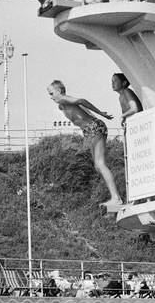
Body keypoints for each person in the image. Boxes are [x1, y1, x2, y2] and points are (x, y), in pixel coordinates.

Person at [47, 80, 123, 210]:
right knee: (97, 166)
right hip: (89, 130)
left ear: (59, 91)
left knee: (100, 164)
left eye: (52, 93)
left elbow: (82, 101)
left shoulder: (64, 99)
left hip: (94, 127)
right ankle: (115, 196)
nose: (51, 97)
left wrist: (101, 113)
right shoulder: (61, 105)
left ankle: (116, 198)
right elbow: (82, 111)